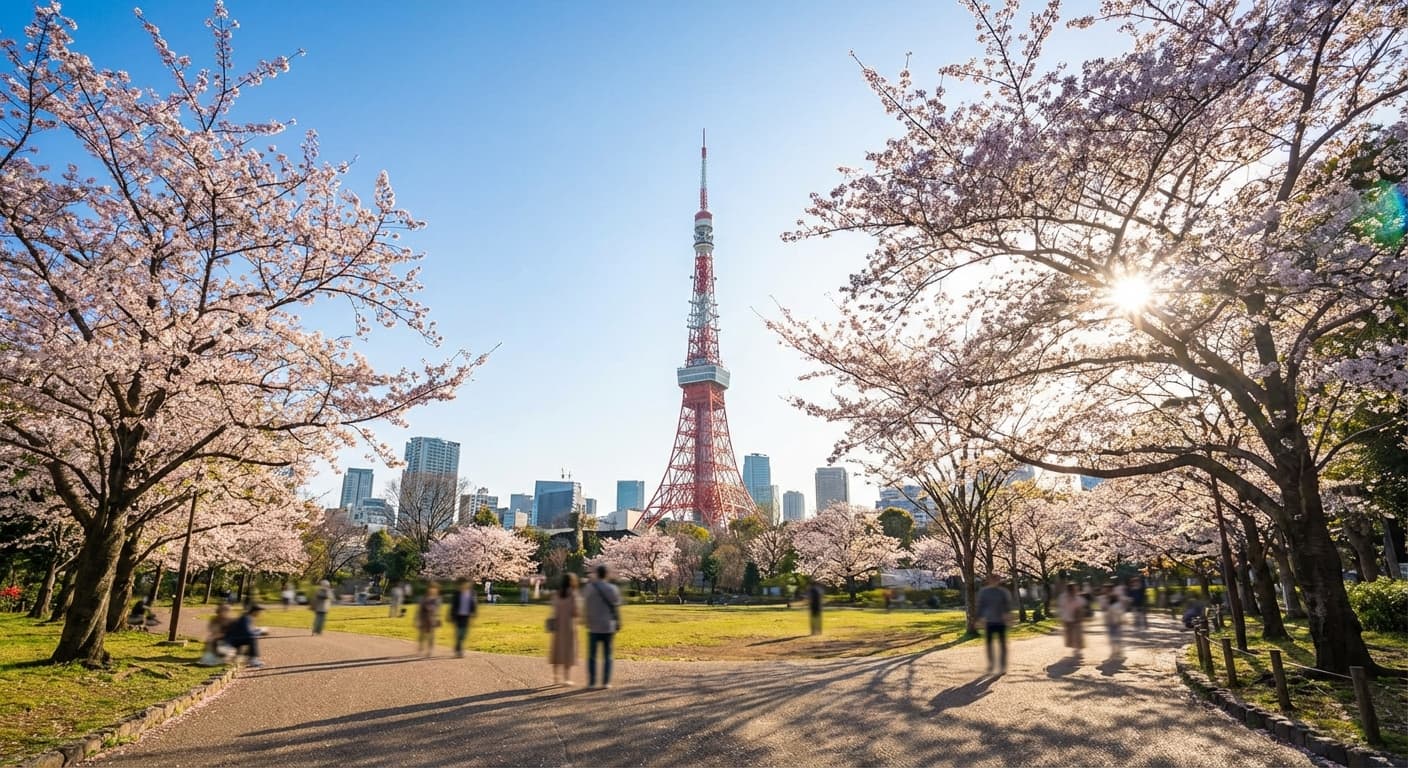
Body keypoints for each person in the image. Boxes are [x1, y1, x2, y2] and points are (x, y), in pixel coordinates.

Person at [584, 564, 622, 689]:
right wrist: (618, 621)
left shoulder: (589, 588)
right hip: (608, 625)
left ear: (597, 574)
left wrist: (587, 620)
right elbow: (616, 607)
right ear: (606, 574)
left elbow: (586, 606)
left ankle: (592, 682)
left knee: (592, 656)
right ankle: (606, 682)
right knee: (608, 655)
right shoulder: (612, 588)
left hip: (593, 626)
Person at [976, 573, 1014, 674]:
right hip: (989, 621)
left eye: (997, 579)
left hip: (1001, 621)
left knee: (1002, 645)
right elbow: (980, 606)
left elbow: (1007, 606)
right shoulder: (984, 592)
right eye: (993, 579)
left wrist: (1009, 618)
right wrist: (978, 619)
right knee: (989, 645)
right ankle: (991, 665)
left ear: (999, 581)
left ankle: (1002, 666)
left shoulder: (1003, 592)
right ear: (989, 580)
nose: (995, 581)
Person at [549, 573, 580, 685]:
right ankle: (567, 678)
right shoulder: (573, 595)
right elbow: (576, 612)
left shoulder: (557, 594)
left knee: (557, 649)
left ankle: (555, 676)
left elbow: (554, 608)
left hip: (558, 625)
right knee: (568, 651)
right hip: (569, 625)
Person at [223, 604, 266, 668]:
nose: (260, 613)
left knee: (251, 637)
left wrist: (258, 630)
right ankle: (253, 660)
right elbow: (248, 633)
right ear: (255, 611)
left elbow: (248, 630)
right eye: (259, 612)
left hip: (234, 639)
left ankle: (247, 658)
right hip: (231, 642)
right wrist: (260, 631)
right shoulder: (246, 618)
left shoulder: (247, 617)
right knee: (252, 638)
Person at [448, 578, 477, 658]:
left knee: (464, 633)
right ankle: (459, 649)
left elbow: (473, 604)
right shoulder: (457, 593)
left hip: (466, 616)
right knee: (459, 632)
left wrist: (474, 613)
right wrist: (451, 615)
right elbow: (453, 605)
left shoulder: (471, 593)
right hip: (458, 616)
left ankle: (458, 645)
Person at [1057, 582, 1086, 654]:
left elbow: (1082, 605)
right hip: (1067, 618)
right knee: (1070, 635)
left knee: (1077, 634)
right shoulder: (1063, 597)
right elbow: (1061, 606)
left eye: (1075, 589)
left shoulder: (1078, 597)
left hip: (1076, 619)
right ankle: (1075, 647)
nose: (1075, 590)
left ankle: (1078, 649)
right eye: (1073, 589)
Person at [417, 584, 442, 657]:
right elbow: (420, 610)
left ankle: (430, 650)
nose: (433, 590)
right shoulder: (424, 598)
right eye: (431, 589)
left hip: (432, 619)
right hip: (424, 618)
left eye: (435, 589)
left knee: (431, 635)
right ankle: (421, 645)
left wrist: (438, 618)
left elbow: (438, 610)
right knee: (422, 634)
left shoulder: (437, 599)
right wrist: (418, 619)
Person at [1105, 589, 1128, 657]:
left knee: (1112, 638)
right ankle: (1119, 651)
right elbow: (1121, 614)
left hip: (1112, 624)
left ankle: (1114, 651)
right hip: (1117, 623)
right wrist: (1124, 620)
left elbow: (1108, 615)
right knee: (1118, 638)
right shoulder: (1118, 605)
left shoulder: (1110, 606)